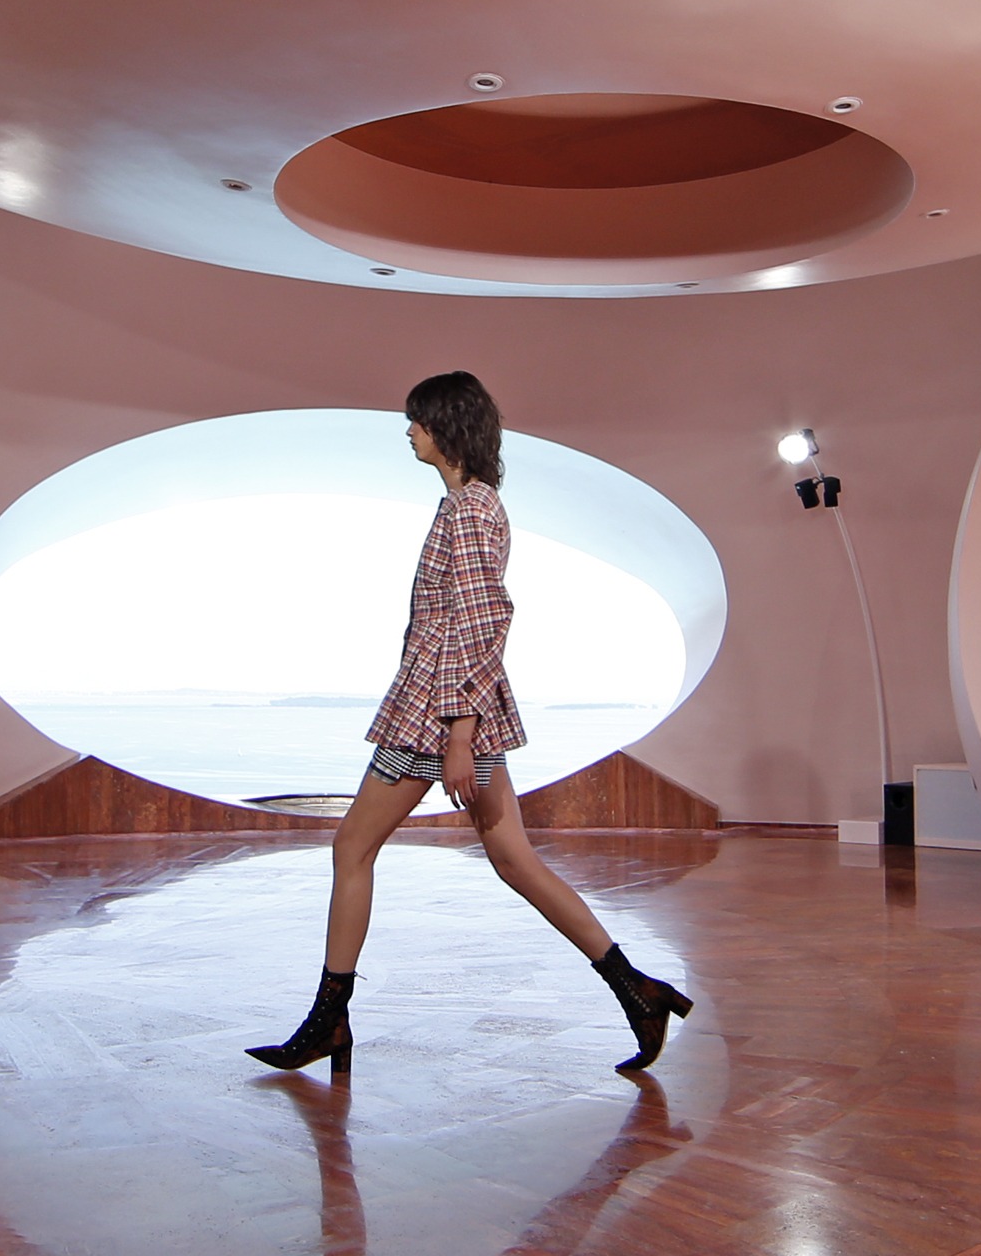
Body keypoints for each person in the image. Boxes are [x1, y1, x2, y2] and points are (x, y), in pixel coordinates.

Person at [245, 373, 694, 1076]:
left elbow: (484, 622)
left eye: (417, 420)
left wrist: (458, 733)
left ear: (445, 427)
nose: (408, 431)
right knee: (514, 859)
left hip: (435, 714)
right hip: (452, 707)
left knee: (351, 847)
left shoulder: (471, 511)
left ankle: (329, 1020)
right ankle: (637, 990)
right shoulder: (467, 505)